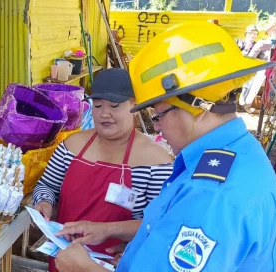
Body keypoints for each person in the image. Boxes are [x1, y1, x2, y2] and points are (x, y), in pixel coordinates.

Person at [54, 21, 276, 272]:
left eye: (159, 115)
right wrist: (112, 232)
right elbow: (166, 225)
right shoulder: (239, 151)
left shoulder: (211, 195)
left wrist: (82, 268)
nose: (157, 128)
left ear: (200, 106)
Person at [32, 68, 173, 272]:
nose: (104, 113)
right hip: (65, 258)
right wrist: (44, 201)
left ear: (134, 105)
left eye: (114, 106)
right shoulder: (72, 146)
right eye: (97, 105)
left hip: (116, 264)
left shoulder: (156, 161)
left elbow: (162, 224)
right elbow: (47, 185)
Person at [239, 22, 276, 113]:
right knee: (252, 86)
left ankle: (270, 108)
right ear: (269, 32)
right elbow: (251, 56)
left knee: (273, 88)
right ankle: (245, 105)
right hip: (261, 68)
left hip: (274, 70)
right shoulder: (263, 42)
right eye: (274, 30)